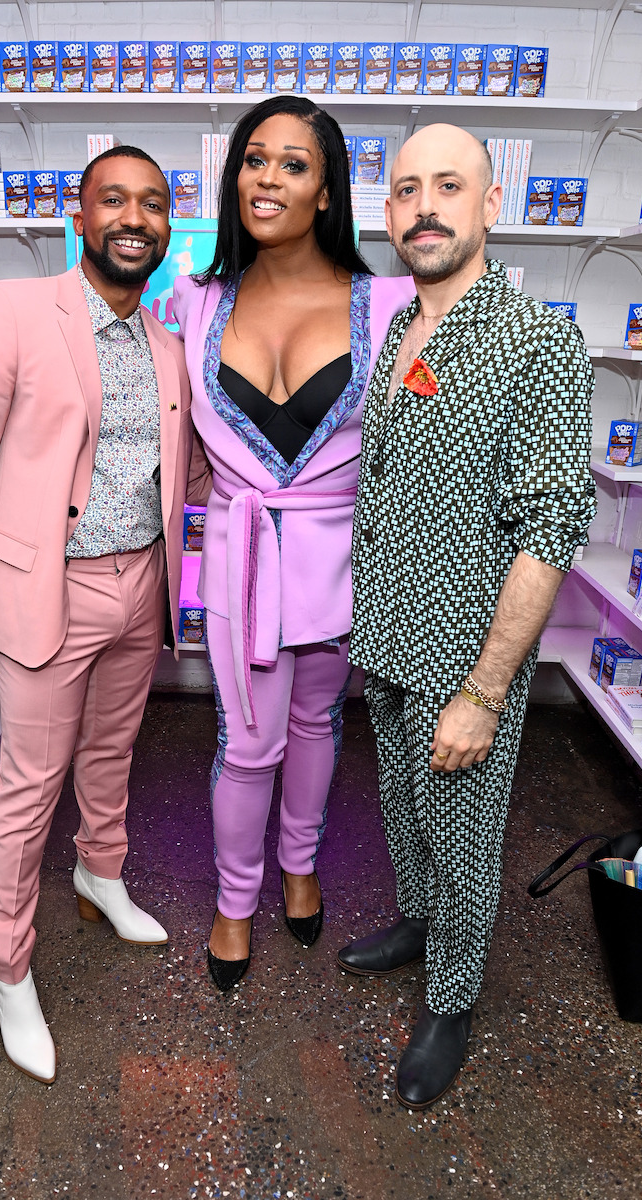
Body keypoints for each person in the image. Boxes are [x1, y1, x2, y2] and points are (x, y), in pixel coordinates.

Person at [0, 145, 210, 1083]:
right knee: (28, 787)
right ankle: (8, 966)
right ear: (78, 220)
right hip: (51, 590)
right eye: (114, 200)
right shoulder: (10, 310)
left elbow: (187, 473)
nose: (136, 217)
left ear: (168, 228)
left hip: (142, 587)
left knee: (111, 753)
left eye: (155, 203)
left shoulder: (166, 346)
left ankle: (100, 873)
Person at [339, 122, 596, 1109]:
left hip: (463, 655)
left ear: (490, 205)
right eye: (404, 189)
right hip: (388, 636)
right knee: (405, 817)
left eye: (448, 186)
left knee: (463, 833)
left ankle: (451, 1000)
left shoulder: (532, 341)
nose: (423, 207)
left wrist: (484, 692)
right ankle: (416, 923)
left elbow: (549, 531)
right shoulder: (403, 327)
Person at [173, 95, 415, 992]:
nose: (267, 178)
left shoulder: (388, 302)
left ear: (327, 191)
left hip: (344, 558)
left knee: (319, 721)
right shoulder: (196, 303)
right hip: (242, 558)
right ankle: (236, 902)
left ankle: (301, 866)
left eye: (293, 164)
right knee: (245, 742)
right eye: (253, 159)